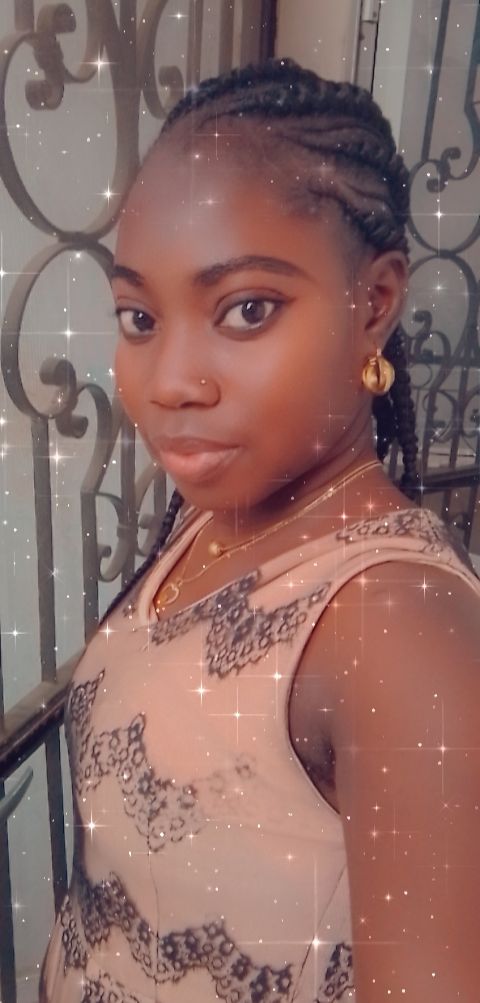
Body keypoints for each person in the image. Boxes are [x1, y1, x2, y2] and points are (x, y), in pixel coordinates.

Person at [40, 58, 480, 1003]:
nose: (171, 381)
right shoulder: (220, 517)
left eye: (246, 310)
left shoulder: (397, 628)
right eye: (139, 317)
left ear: (373, 303)